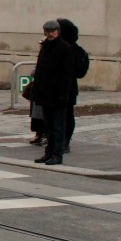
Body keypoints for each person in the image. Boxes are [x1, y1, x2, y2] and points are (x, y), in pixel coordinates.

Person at [30, 20, 75, 165]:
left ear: (58, 31)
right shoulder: (45, 47)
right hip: (45, 93)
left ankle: (57, 154)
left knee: (58, 126)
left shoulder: (65, 48)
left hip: (58, 94)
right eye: (47, 31)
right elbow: (40, 70)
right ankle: (48, 153)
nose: (49, 33)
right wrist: (37, 90)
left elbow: (66, 75)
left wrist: (63, 95)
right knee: (48, 126)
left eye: (52, 31)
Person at [57, 18, 89, 155]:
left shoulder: (70, 48)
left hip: (67, 87)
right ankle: (58, 141)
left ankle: (64, 141)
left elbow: (77, 70)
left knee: (66, 115)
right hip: (55, 87)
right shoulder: (54, 45)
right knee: (57, 115)